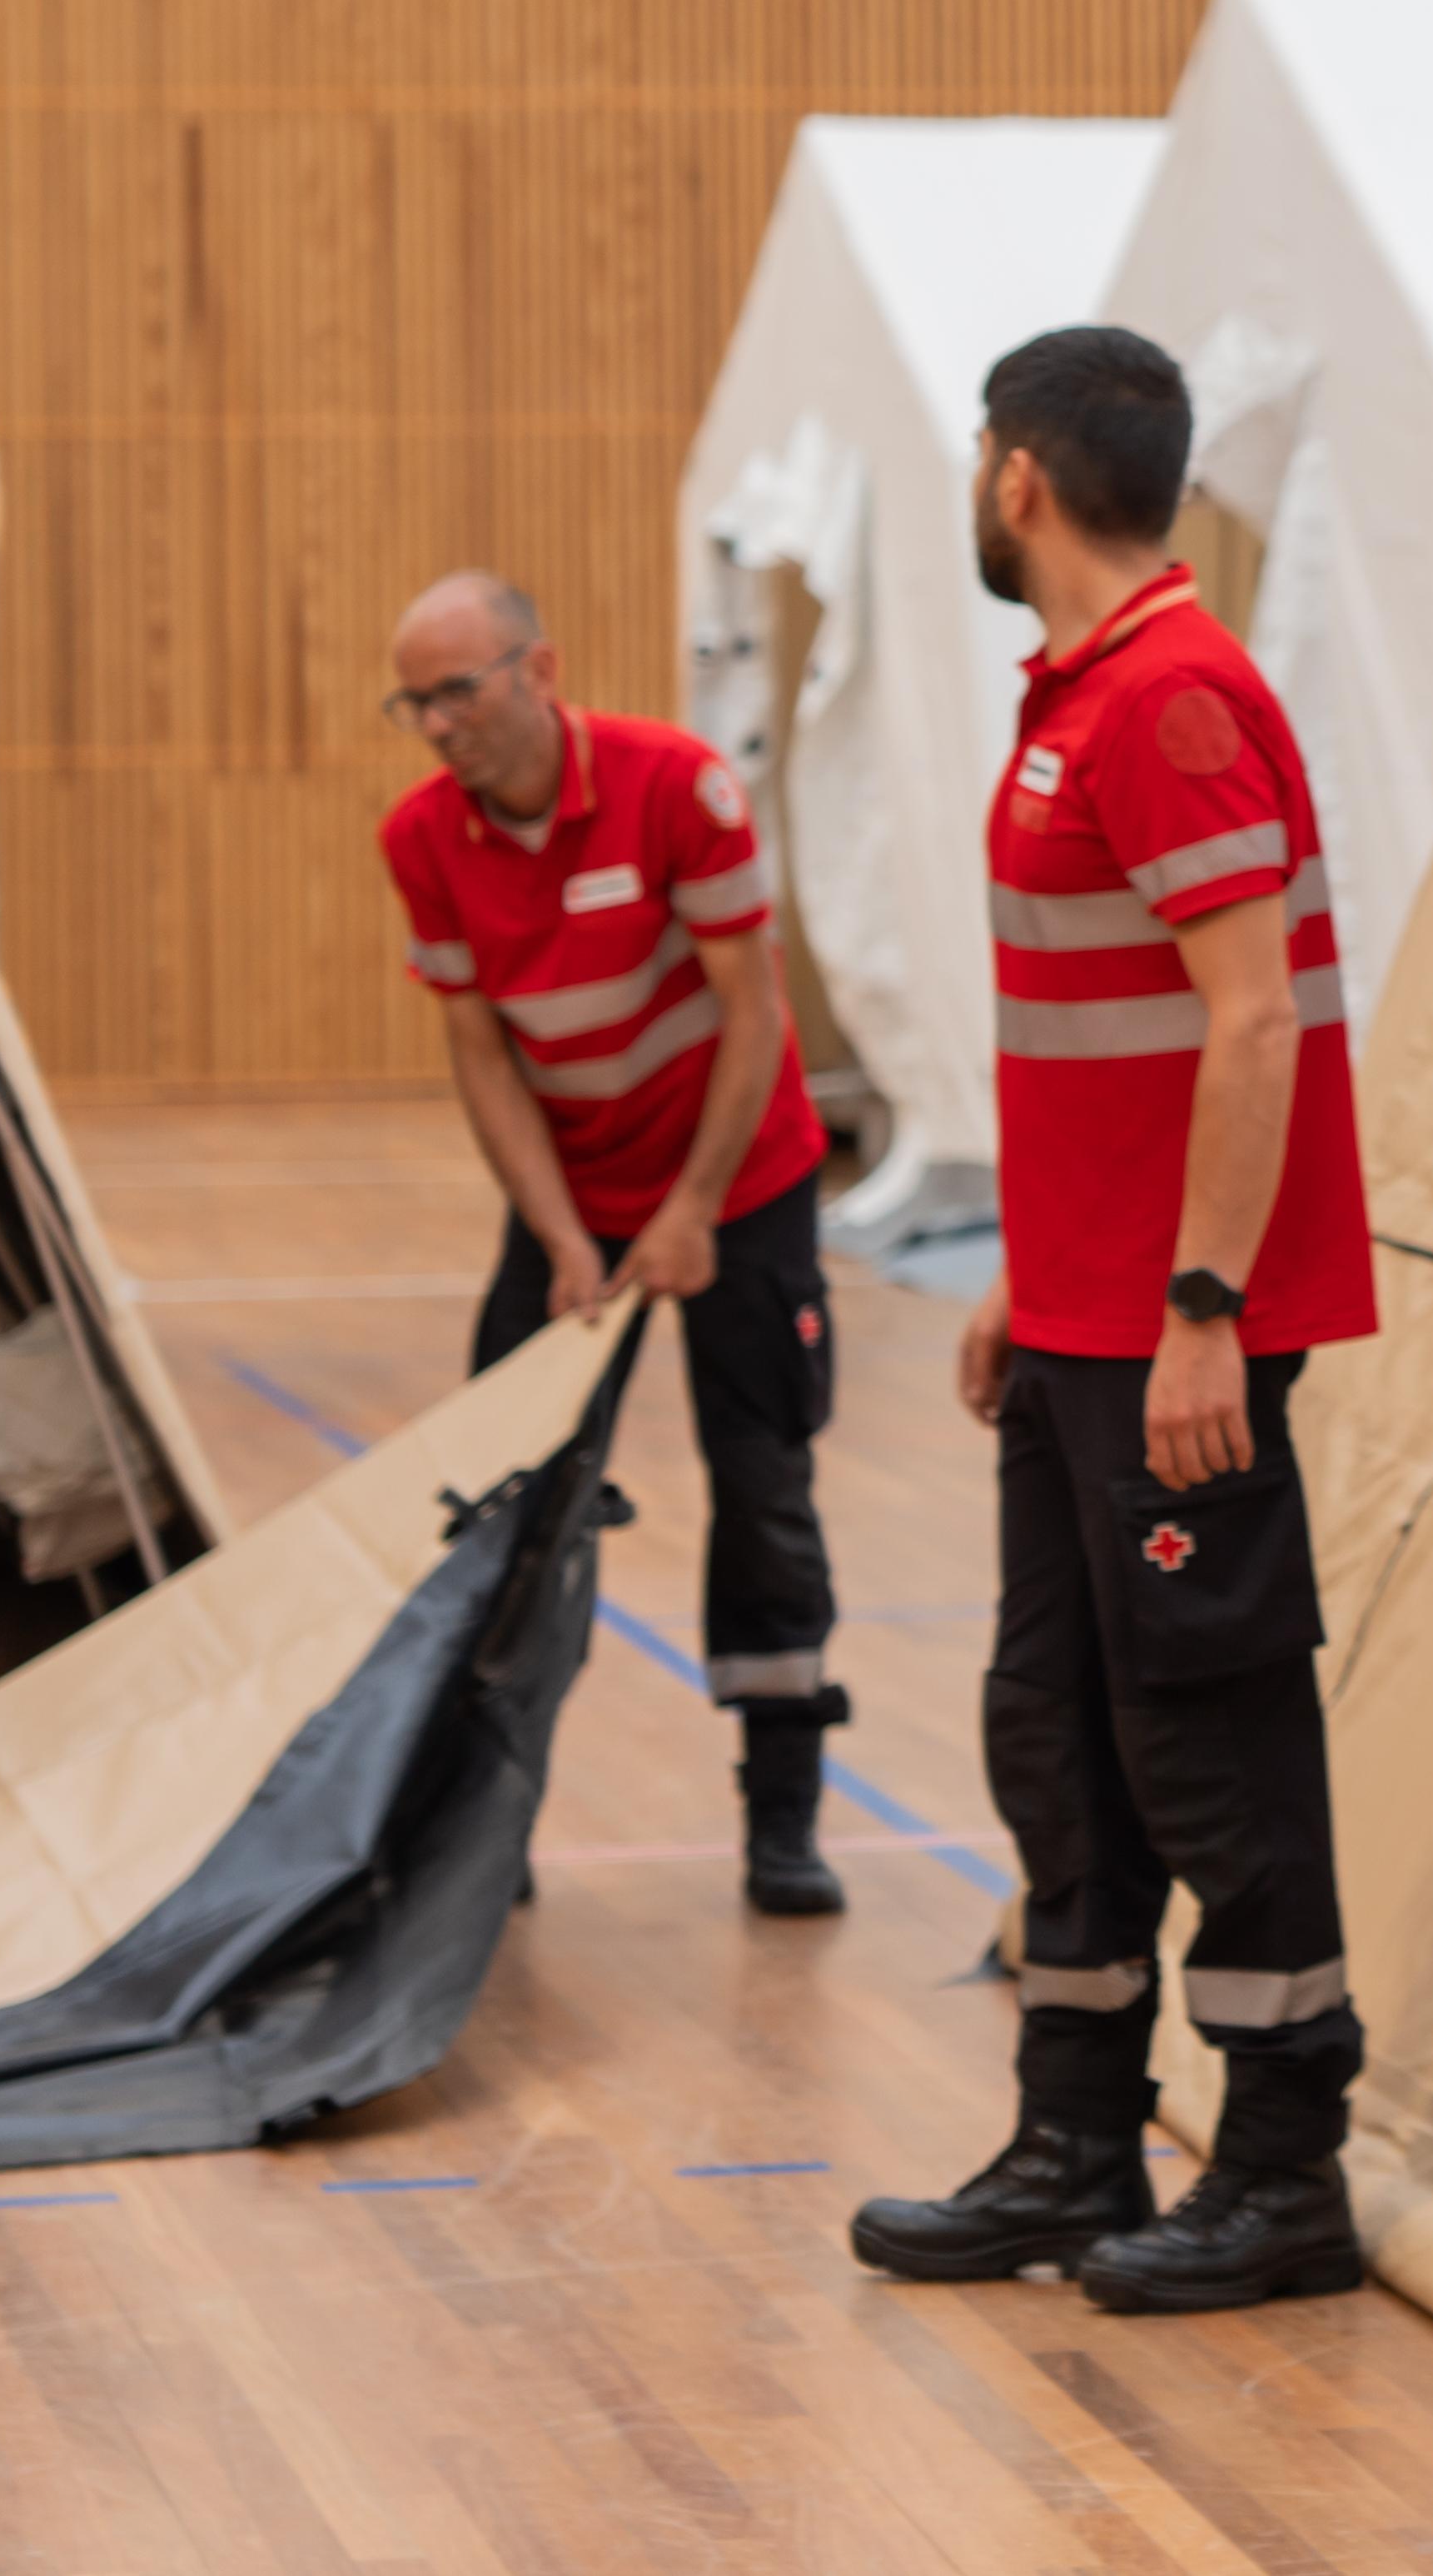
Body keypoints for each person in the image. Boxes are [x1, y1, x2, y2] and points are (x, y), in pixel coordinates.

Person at [847, 326, 1382, 2315]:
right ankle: (1072, 2138)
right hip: (1085, 1319)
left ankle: (1279, 2164)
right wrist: (1036, 1269)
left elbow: (1250, 1018)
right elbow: (1126, 1042)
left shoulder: (1167, 705)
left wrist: (1197, 1311)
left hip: (1179, 1337)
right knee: (1057, 1729)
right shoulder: (1081, 696)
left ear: (1017, 479)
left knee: (1208, 1732)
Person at [377, 570, 851, 1917]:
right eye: (412, 701)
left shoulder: (678, 787)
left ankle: (783, 1813)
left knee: (762, 1489)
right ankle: (488, 1815)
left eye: (456, 691)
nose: (434, 726)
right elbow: (478, 1052)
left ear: (540, 669)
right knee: (506, 1497)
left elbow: (750, 1011)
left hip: (737, 1181)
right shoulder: (421, 837)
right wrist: (558, 1234)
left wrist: (694, 1205)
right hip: (571, 1196)